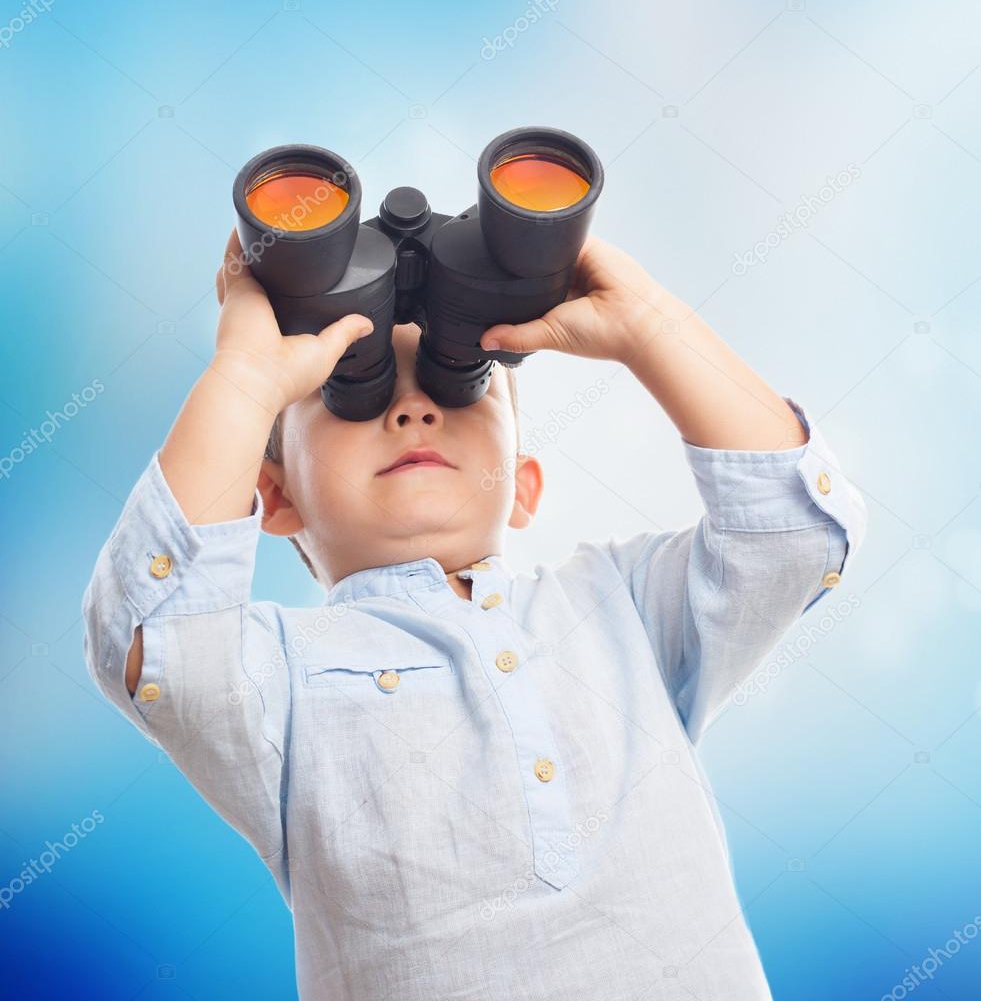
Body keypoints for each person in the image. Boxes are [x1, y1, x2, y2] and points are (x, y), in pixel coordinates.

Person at [82, 228, 866, 1000]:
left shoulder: (618, 603)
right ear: (275, 496)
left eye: (462, 379)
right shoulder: (280, 673)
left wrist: (645, 324)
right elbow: (160, 641)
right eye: (351, 389)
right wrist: (247, 378)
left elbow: (790, 536)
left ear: (523, 484)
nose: (415, 407)